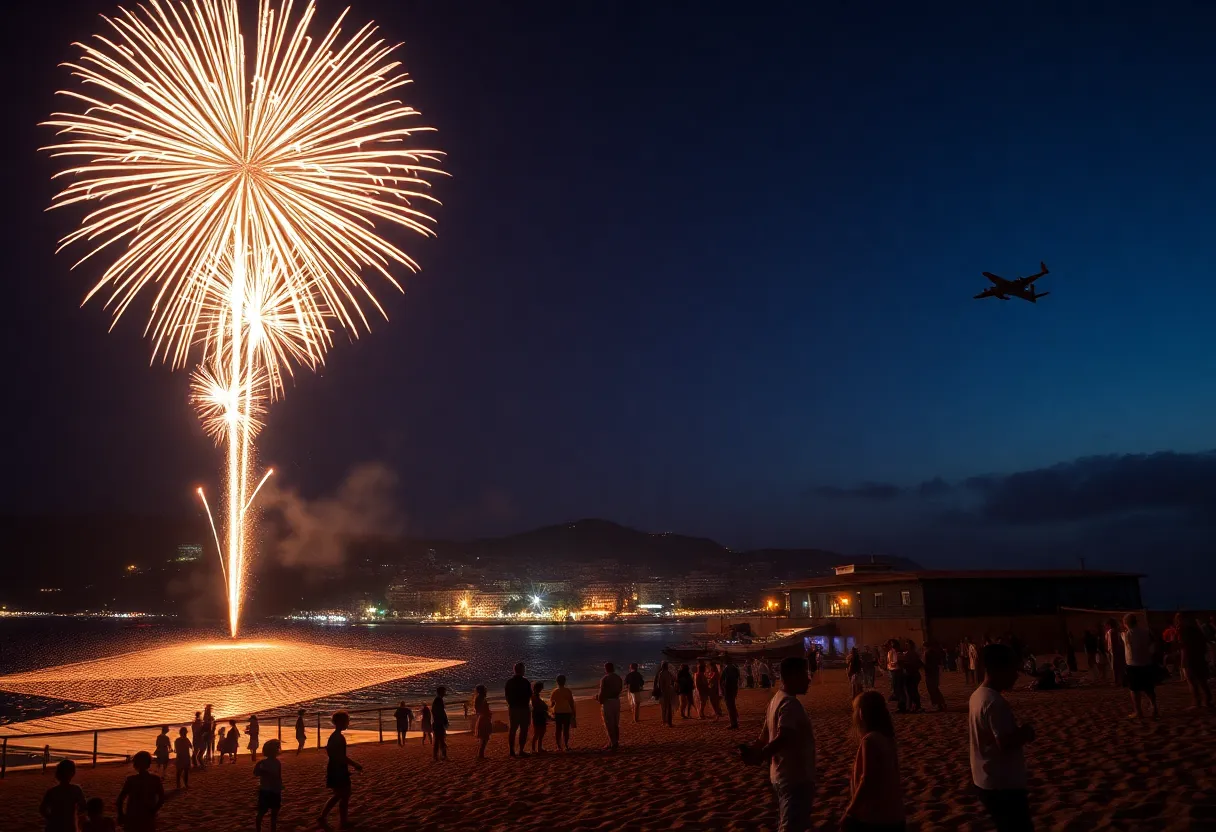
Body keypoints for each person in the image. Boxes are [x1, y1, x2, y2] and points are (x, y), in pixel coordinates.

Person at [741, 656, 816, 832]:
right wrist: (761, 755)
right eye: (804, 675)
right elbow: (784, 737)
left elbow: (764, 737)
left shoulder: (776, 699)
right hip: (794, 777)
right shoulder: (790, 704)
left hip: (779, 775)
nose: (808, 679)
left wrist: (753, 751)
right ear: (792, 676)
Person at [970, 643, 1036, 832]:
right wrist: (1025, 733)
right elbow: (1005, 743)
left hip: (985, 779)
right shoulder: (994, 702)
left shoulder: (978, 695)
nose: (1016, 676)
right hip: (1002, 785)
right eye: (1013, 670)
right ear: (999, 669)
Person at [842, 690, 906, 832]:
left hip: (874, 817)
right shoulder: (887, 738)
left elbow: (867, 779)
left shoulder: (870, 740)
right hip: (894, 813)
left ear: (861, 713)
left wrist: (851, 810)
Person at [318, 711, 362, 831]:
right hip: (338, 769)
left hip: (335, 767)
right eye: (346, 721)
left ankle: (323, 816)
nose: (348, 723)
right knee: (344, 795)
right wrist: (355, 764)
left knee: (339, 795)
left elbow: (332, 753)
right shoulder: (338, 737)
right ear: (341, 722)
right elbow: (340, 756)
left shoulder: (334, 736)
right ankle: (343, 821)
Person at [1121, 613, 1159, 719]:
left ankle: (1138, 711)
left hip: (1133, 664)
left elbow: (1125, 640)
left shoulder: (1127, 634)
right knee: (1149, 688)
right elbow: (1153, 643)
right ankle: (1154, 707)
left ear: (1126, 623)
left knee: (1134, 689)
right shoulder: (1146, 632)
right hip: (1146, 662)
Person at [117, 751, 165, 832]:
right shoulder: (155, 779)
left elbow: (120, 799)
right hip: (148, 815)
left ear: (135, 764)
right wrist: (154, 810)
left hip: (132, 814)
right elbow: (161, 798)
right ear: (149, 764)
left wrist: (120, 814)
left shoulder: (131, 780)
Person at [40, 759, 87, 832]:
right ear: (72, 773)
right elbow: (83, 807)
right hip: (69, 826)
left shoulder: (52, 791)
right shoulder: (76, 790)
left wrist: (52, 818)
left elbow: (42, 809)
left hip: (53, 826)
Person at [1180, 616, 1214, 708]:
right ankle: (1207, 700)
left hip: (1190, 658)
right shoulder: (1199, 632)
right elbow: (1205, 647)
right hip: (1200, 658)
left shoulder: (1185, 632)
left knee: (1192, 681)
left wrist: (1183, 662)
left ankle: (1197, 701)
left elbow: (1184, 648)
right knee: (1202, 680)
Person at [253, 739, 283, 832]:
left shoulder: (263, 763)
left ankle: (260, 829)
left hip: (267, 790)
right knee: (271, 813)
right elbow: (256, 773)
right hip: (270, 790)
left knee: (264, 812)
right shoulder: (275, 762)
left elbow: (256, 773)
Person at [505, 662, 532, 757]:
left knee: (513, 729)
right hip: (523, 708)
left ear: (515, 670)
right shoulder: (525, 682)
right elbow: (529, 695)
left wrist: (511, 704)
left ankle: (511, 750)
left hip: (513, 708)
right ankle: (521, 750)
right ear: (522, 670)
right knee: (523, 729)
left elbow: (507, 696)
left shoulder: (509, 682)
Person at [596, 661, 624, 750]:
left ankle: (612, 742)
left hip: (608, 702)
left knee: (609, 723)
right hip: (616, 701)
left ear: (606, 669)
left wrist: (599, 700)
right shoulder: (618, 678)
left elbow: (602, 692)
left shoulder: (605, 679)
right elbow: (620, 689)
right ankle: (615, 741)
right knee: (616, 722)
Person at [549, 674, 576, 750]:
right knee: (566, 730)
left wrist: (550, 711)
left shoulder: (555, 691)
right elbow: (571, 703)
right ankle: (566, 745)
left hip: (558, 712)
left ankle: (559, 746)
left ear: (557, 682)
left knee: (558, 729)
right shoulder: (568, 691)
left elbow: (552, 704)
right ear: (564, 681)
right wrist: (573, 712)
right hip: (566, 711)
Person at [924, 641, 947, 712]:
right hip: (934, 672)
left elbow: (928, 664)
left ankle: (938, 704)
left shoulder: (929, 653)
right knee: (934, 689)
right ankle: (940, 704)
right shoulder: (933, 652)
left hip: (931, 673)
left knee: (933, 689)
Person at [473, 685, 493, 758]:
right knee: (485, 736)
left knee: (484, 737)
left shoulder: (480, 698)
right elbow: (479, 710)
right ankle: (481, 754)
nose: (486, 691)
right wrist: (486, 714)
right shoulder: (480, 698)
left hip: (484, 718)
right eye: (484, 689)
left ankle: (481, 754)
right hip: (484, 719)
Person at [1105, 618, 1127, 688]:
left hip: (1115, 652)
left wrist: (1113, 652)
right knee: (1120, 667)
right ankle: (1122, 681)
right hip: (1118, 651)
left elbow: (1113, 643)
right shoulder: (1116, 631)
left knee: (1116, 667)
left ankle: (1118, 682)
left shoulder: (1112, 632)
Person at [887, 640, 907, 713]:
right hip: (894, 671)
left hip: (898, 671)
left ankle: (902, 706)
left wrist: (893, 664)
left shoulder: (898, 653)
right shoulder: (890, 652)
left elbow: (898, 663)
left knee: (899, 689)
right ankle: (900, 705)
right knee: (896, 688)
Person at [530, 680, 550, 753]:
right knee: (539, 732)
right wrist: (544, 706)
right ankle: (535, 749)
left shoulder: (535, 695)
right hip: (538, 715)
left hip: (537, 715)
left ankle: (537, 748)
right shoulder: (535, 696)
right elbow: (538, 706)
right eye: (541, 688)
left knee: (539, 732)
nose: (541, 689)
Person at [722, 656, 741, 729]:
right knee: (732, 706)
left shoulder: (727, 669)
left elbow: (725, 680)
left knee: (730, 707)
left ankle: (733, 723)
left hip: (728, 690)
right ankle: (734, 722)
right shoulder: (735, 668)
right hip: (733, 689)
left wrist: (724, 689)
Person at [657, 661, 678, 727]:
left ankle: (664, 722)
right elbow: (675, 679)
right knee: (669, 707)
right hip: (669, 691)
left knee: (664, 708)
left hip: (664, 692)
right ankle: (669, 722)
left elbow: (660, 684)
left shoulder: (661, 673)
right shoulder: (668, 673)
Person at [432, 687, 450, 761]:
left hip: (438, 722)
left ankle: (439, 756)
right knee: (440, 740)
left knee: (439, 740)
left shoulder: (438, 699)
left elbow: (438, 711)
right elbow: (440, 712)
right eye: (444, 691)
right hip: (438, 723)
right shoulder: (438, 700)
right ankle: (441, 756)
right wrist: (443, 720)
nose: (445, 692)